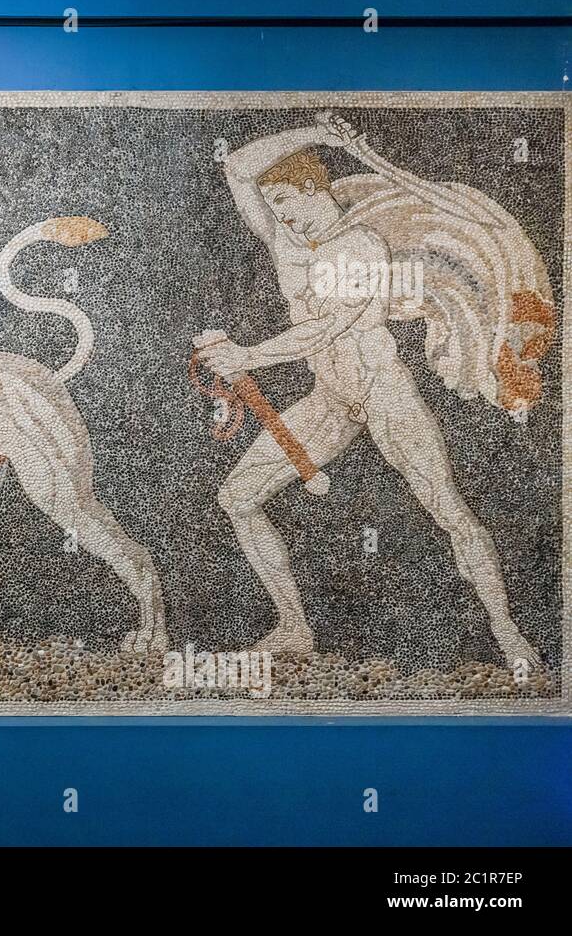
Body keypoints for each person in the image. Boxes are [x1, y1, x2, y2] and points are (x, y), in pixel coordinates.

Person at [201, 112, 546, 669]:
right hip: (332, 400)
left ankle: (507, 633)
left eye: (288, 202)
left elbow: (331, 325)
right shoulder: (290, 248)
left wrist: (250, 355)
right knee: (237, 498)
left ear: (315, 190)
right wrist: (318, 134)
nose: (281, 217)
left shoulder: (361, 245)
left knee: (449, 512)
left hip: (385, 396)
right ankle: (294, 627)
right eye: (276, 208)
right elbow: (239, 167)